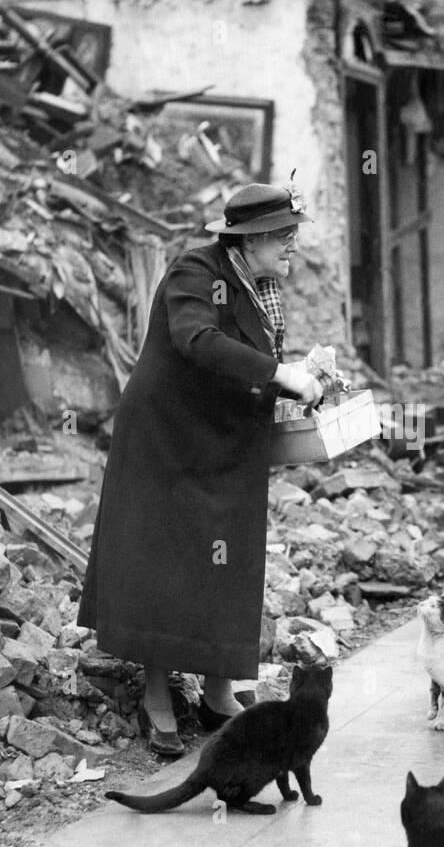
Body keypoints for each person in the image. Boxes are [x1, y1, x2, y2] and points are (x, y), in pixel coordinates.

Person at [77, 180, 324, 755]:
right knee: (169, 564)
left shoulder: (259, 285)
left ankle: (217, 692)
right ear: (252, 238)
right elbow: (196, 339)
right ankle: (157, 697)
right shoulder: (197, 271)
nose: (293, 246)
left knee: (227, 560)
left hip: (225, 443)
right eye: (285, 236)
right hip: (168, 441)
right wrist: (279, 373)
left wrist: (296, 380)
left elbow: (244, 362)